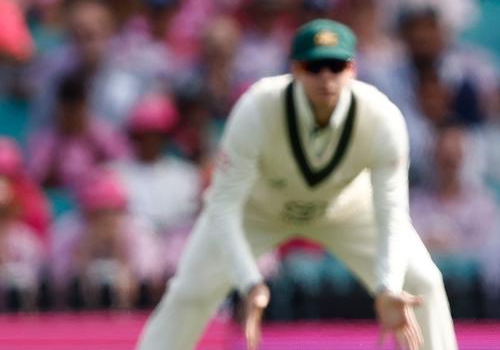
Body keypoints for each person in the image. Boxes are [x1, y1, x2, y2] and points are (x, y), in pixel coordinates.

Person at [136, 19, 457, 350]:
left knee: (423, 282)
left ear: (353, 68)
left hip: (345, 207)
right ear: (295, 69)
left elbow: (391, 211)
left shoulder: (381, 118)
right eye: (314, 66)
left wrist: (387, 288)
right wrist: (250, 283)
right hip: (259, 211)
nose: (326, 77)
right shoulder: (258, 107)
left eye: (336, 65)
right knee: (189, 292)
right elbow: (223, 204)